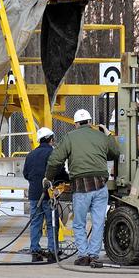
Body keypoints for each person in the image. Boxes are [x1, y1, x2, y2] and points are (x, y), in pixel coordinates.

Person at [45, 108, 119, 268]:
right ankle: (94, 256)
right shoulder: (100, 136)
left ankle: (83, 255)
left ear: (76, 123)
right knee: (98, 222)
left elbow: (55, 160)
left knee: (79, 223)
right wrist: (107, 133)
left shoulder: (70, 137)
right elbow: (116, 153)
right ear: (91, 122)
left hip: (81, 186)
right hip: (100, 185)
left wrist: (48, 178)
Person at [23, 127, 59, 262]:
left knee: (35, 223)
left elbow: (26, 174)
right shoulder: (53, 153)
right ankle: (52, 251)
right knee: (51, 223)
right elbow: (58, 171)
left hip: (34, 194)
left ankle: (35, 251)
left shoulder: (30, 154)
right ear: (50, 139)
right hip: (48, 194)